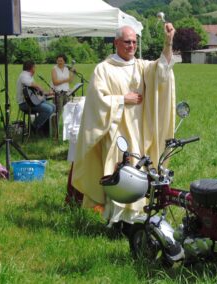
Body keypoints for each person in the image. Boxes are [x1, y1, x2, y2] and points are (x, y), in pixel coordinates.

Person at [71, 23, 176, 228]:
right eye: (127, 42)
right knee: (119, 170)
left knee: (138, 170)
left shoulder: (142, 67)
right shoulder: (103, 69)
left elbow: (162, 70)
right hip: (114, 128)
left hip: (138, 129)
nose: (131, 46)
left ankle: (135, 217)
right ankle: (116, 219)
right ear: (116, 43)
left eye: (134, 42)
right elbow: (96, 101)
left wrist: (168, 41)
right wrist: (121, 99)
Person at [16, 60, 56, 134]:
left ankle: (44, 129)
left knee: (53, 106)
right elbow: (27, 82)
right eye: (35, 67)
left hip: (31, 102)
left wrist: (46, 93)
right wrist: (38, 86)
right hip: (25, 104)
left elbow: (34, 93)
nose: (35, 69)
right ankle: (33, 127)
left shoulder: (29, 76)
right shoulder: (24, 75)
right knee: (49, 109)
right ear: (32, 68)